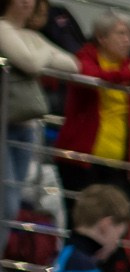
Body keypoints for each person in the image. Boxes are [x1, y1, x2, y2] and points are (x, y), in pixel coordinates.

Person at [57, 13, 130, 196]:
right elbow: (93, 77)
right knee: (82, 219)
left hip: (118, 162)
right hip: (81, 158)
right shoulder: (85, 57)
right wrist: (127, 75)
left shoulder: (128, 67)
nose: (127, 40)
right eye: (121, 34)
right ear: (102, 37)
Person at [0, 0, 75, 230]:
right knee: (7, 203)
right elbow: (31, 63)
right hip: (4, 124)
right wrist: (43, 51)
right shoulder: (3, 28)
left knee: (11, 204)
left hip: (25, 127)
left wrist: (36, 51)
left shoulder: (30, 36)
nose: (26, 2)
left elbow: (73, 64)